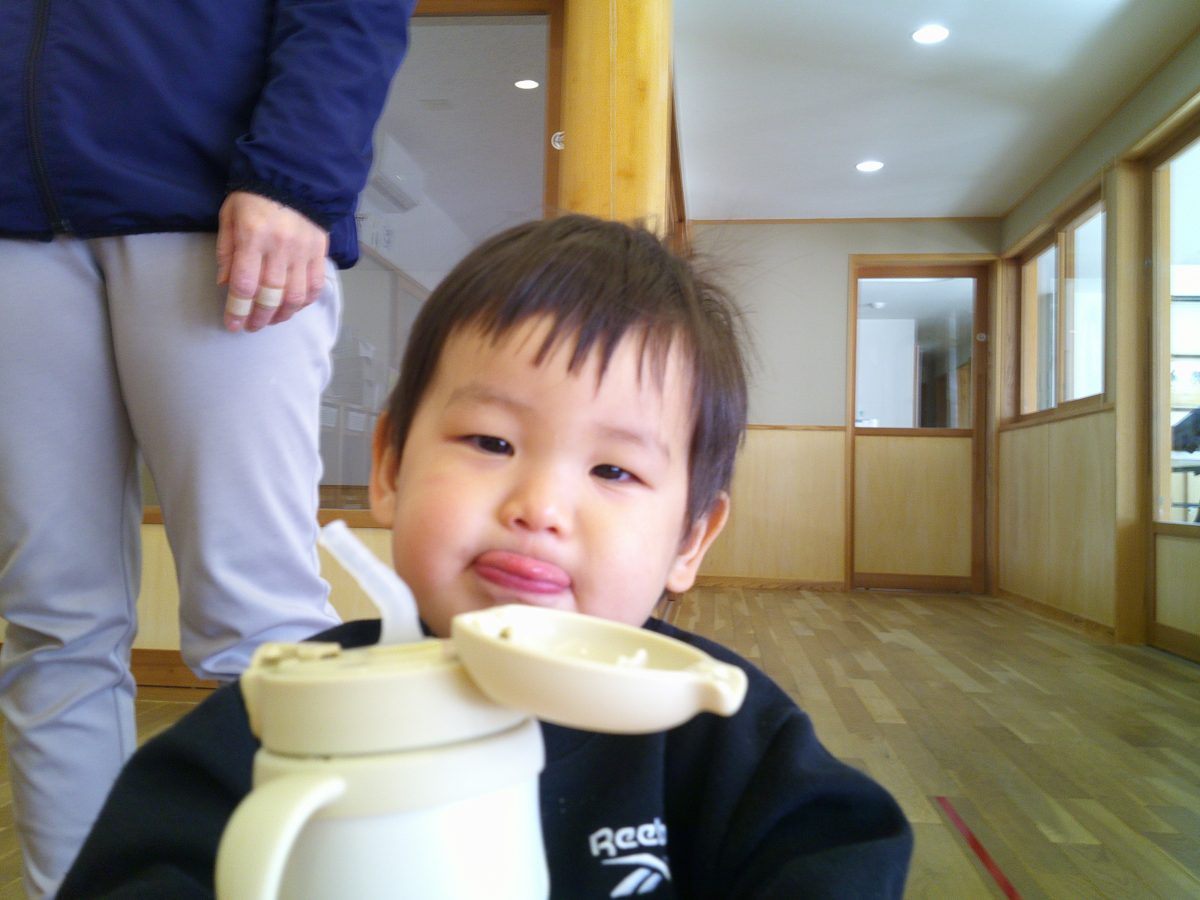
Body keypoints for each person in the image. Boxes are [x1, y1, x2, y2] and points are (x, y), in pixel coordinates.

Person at [59, 215, 913, 898]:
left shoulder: (718, 731)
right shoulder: (290, 708)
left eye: (613, 470)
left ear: (690, 538)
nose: (539, 507)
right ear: (390, 468)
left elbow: (840, 855)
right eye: (491, 442)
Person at [0, 2, 416, 894]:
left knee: (258, 629)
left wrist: (299, 174)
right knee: (51, 629)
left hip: (218, 207)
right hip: (12, 224)